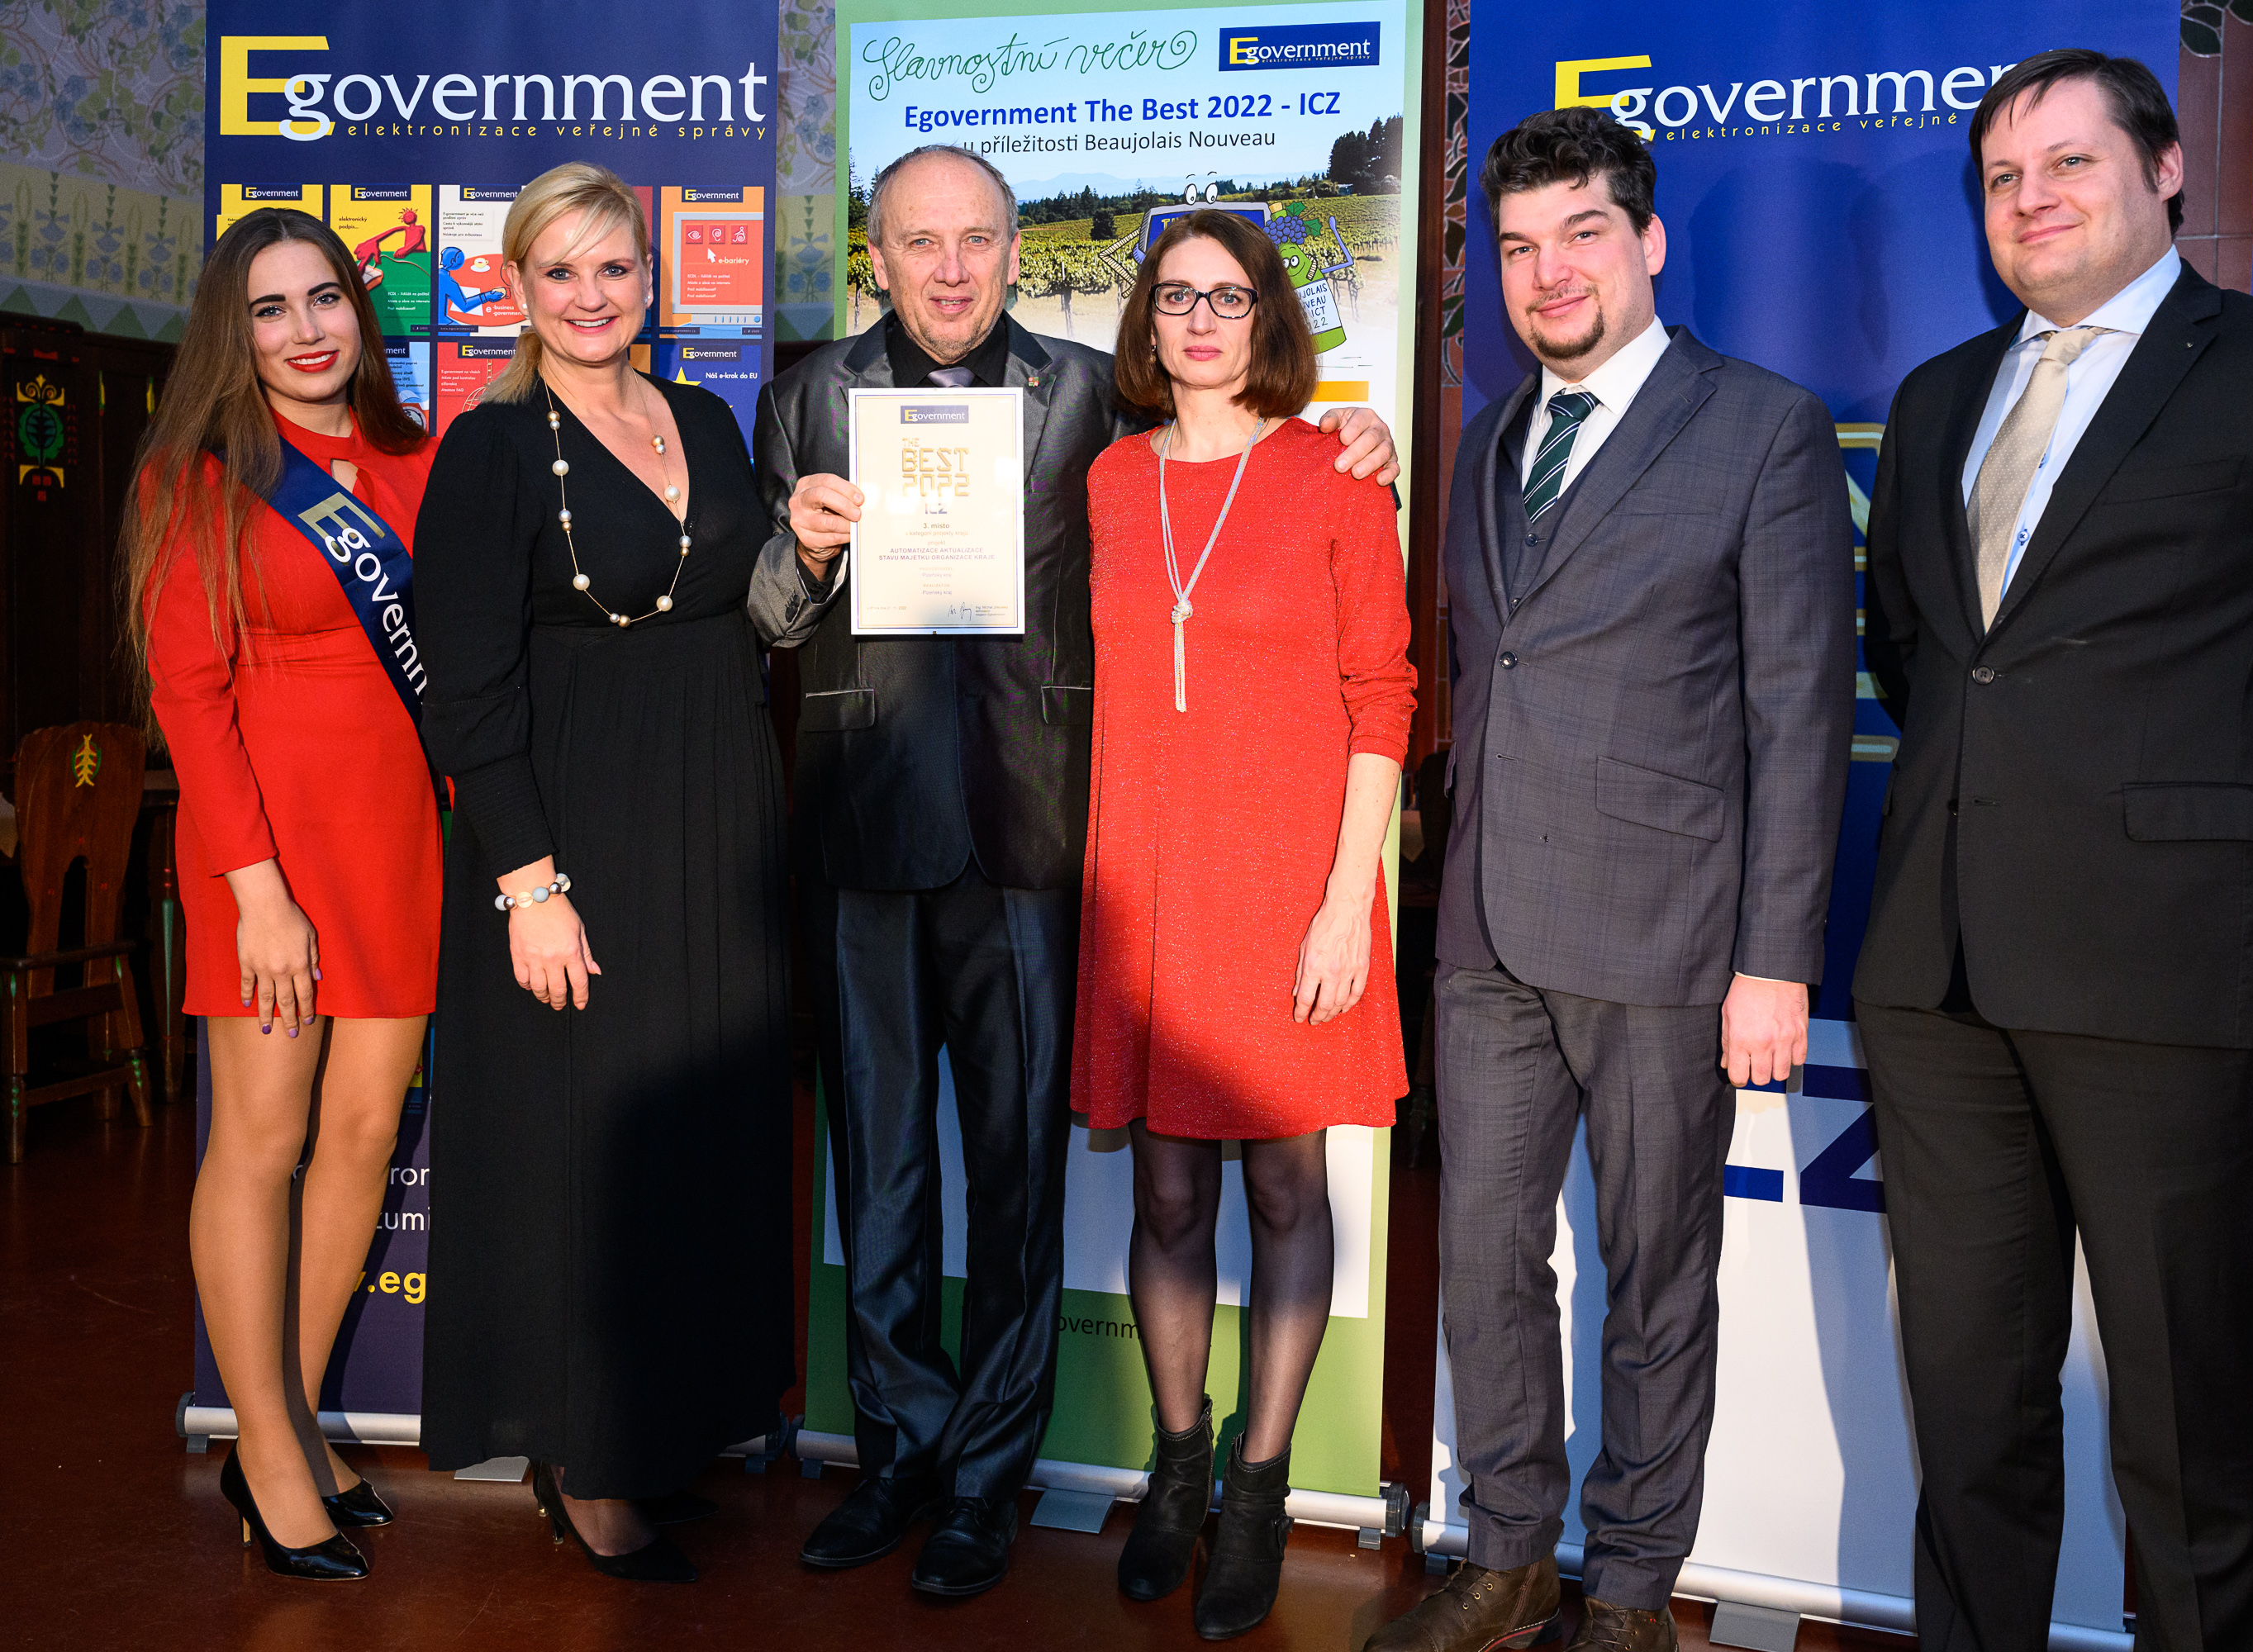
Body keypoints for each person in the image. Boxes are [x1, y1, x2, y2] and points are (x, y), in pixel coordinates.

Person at [1856, 50, 2253, 1652]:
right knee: (1968, 1414)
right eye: (2003, 178)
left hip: (2161, 968)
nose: (2032, 199)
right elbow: (1915, 656)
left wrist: (2230, 834)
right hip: (1936, 973)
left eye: (2069, 161)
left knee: (2185, 1435)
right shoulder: (1935, 401)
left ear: (2166, 168)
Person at [746, 142, 1396, 1599]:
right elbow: (771, 620)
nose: (951, 267)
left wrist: (1362, 434)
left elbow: (1236, 465)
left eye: (978, 238)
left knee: (1019, 1178)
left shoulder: (1093, 397)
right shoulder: (806, 396)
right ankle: (896, 1454)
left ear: (1015, 252)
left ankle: (989, 1479)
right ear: (875, 255)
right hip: (863, 833)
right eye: (921, 241)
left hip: (1040, 841)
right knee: (879, 1171)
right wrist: (800, 546)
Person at [1371, 107, 1851, 1652]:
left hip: (1668, 938)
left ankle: (1632, 1590)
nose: (1548, 273)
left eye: (1581, 234)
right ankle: (1509, 1559)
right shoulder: (1491, 437)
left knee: (1656, 1278)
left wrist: (1775, 958)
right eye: (1517, 247)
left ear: (1647, 242)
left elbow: (1799, 713)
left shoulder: (1763, 427)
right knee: (1486, 1263)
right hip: (1487, 933)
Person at [416, 162, 792, 1583]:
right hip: (573, 829)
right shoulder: (492, 448)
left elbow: (754, 608)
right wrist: (529, 883)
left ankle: (660, 1425)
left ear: (652, 279)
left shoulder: (706, 417)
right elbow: (467, 689)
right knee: (585, 1139)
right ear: (516, 289)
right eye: (560, 272)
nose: (591, 296)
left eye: (614, 268)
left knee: (694, 1129)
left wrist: (812, 552)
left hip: (715, 818)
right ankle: (580, 1455)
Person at [1074, 210, 1415, 1640]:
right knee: (1166, 1197)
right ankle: (1177, 1468)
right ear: (1147, 324)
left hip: (1290, 887)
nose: (1203, 321)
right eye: (1177, 297)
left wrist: (1347, 904)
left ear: (1269, 316)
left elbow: (1384, 697)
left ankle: (1260, 1489)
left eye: (1229, 296)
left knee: (1285, 1192)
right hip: (1147, 886)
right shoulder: (1110, 479)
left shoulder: (1336, 474)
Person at [126, 206, 439, 1580]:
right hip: (266, 850)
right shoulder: (197, 475)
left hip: (401, 834)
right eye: (270, 309)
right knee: (262, 1143)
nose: (307, 331)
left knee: (363, 1135)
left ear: (360, 312)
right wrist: (258, 894)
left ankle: (293, 1421)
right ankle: (261, 1446)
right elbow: (188, 698)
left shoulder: (417, 458)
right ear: (232, 332)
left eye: (326, 299)